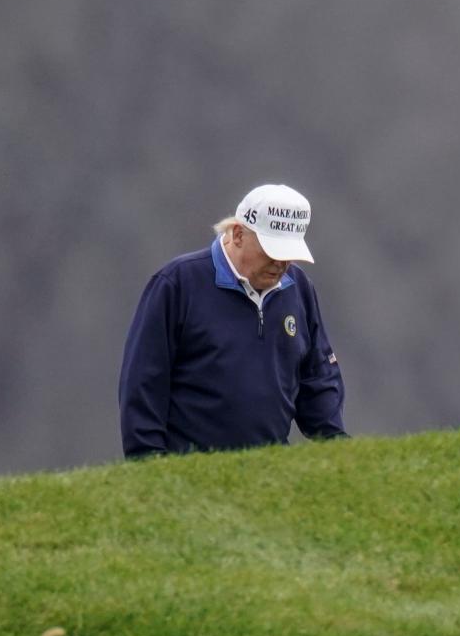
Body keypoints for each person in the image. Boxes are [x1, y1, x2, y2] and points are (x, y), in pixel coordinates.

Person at [119, 183, 348, 458]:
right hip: (188, 470)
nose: (282, 263)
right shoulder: (178, 284)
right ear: (238, 234)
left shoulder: (297, 288)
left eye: (288, 253)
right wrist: (147, 460)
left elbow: (317, 378)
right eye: (272, 251)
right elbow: (144, 379)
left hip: (268, 472)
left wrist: (339, 446)